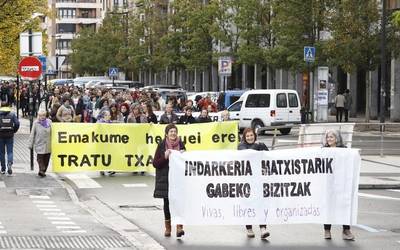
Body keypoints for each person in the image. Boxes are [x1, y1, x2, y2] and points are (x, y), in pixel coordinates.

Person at [153, 124, 186, 238]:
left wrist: (183, 156)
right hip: (165, 179)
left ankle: (179, 227)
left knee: (179, 203)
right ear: (166, 133)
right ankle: (168, 228)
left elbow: (186, 162)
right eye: (171, 131)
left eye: (174, 131)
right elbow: (155, 163)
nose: (173, 133)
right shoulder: (162, 145)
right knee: (167, 204)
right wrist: (165, 157)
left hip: (178, 179)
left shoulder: (181, 144)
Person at [322, 129, 355, 241]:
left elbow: (350, 162)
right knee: (329, 206)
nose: (329, 139)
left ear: (337, 138)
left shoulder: (344, 150)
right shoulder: (323, 150)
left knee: (343, 205)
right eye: (328, 137)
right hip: (328, 183)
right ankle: (327, 230)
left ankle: (346, 230)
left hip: (342, 182)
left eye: (332, 137)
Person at [237, 128, 270, 239]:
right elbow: (247, 153)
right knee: (248, 204)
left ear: (254, 136)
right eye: (248, 136)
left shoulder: (261, 145)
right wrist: (258, 145)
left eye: (252, 135)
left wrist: (261, 146)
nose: (250, 137)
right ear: (244, 138)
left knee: (261, 203)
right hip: (246, 181)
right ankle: (249, 228)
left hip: (259, 179)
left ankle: (263, 228)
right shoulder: (241, 146)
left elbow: (269, 157)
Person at [28, 110, 51, 177]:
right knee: (40, 158)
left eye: (43, 115)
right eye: (40, 115)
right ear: (38, 115)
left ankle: (43, 171)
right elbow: (32, 134)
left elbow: (53, 132)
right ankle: (41, 169)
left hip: (48, 144)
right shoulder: (36, 123)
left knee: (46, 159)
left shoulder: (49, 122)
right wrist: (30, 144)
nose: (42, 117)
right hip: (39, 143)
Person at [0, 102, 20, 175]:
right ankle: (9, 163)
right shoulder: (12, 114)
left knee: (1, 152)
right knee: (10, 151)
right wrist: (14, 130)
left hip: (1, 135)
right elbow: (17, 123)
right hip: (10, 135)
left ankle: (3, 168)